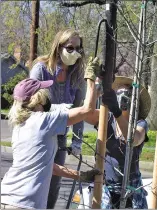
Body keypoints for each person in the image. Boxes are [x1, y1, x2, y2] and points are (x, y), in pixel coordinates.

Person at [1, 57, 103, 209]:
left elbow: (49, 166)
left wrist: (79, 175)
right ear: (39, 98)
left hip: (6, 197)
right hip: (24, 204)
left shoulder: (20, 126)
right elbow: (86, 110)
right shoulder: (44, 120)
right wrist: (90, 79)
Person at [29, 28, 88, 208]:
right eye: (70, 48)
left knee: (54, 185)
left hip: (60, 137)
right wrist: (61, 111)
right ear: (58, 46)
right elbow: (31, 106)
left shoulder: (77, 75)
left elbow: (81, 110)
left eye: (78, 49)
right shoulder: (40, 69)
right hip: (39, 136)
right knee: (37, 181)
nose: (74, 53)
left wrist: (77, 141)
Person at [86, 76, 151, 209]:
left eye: (127, 94)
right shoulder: (106, 118)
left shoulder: (140, 123)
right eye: (119, 93)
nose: (122, 97)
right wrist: (95, 87)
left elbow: (134, 139)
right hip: (107, 188)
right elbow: (86, 113)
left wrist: (117, 111)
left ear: (135, 101)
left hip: (131, 191)